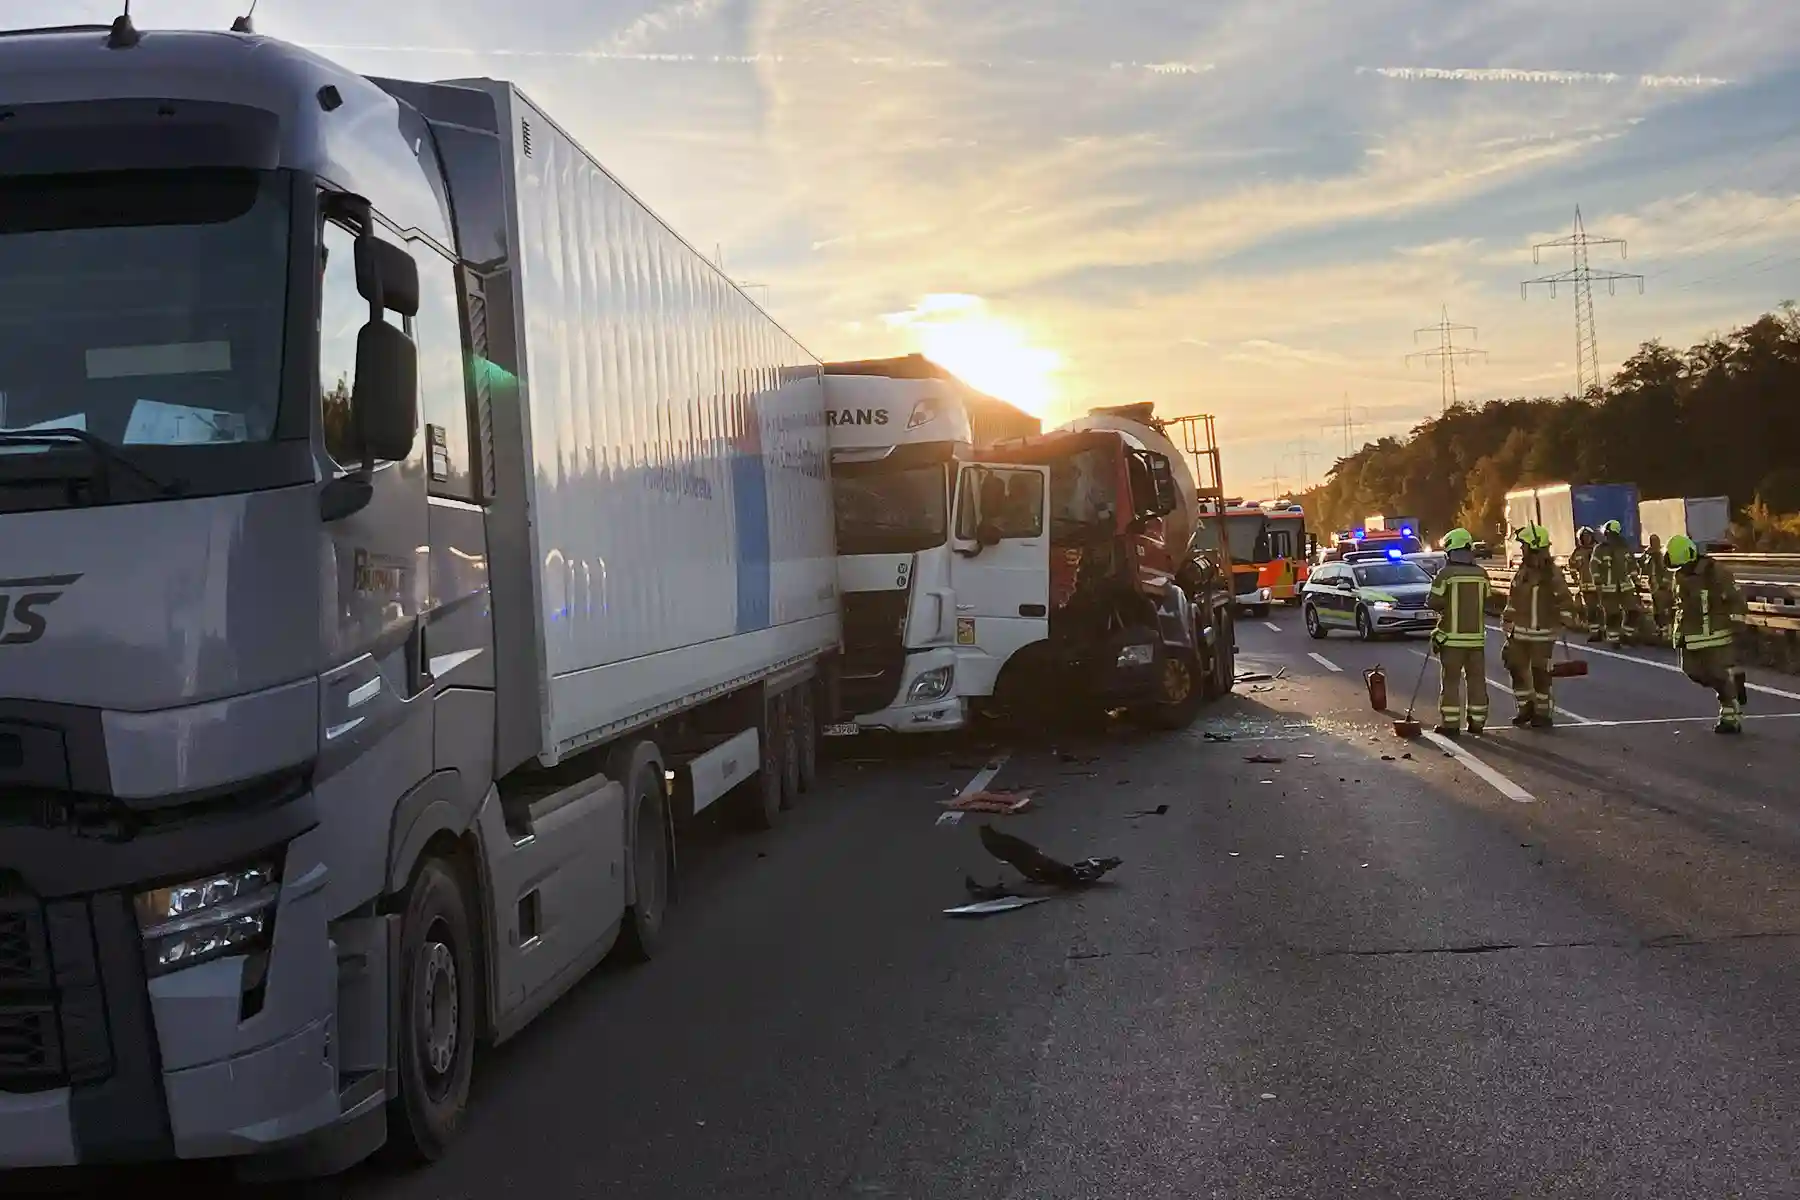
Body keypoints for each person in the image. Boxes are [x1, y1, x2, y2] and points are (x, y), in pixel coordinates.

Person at [1667, 534, 1749, 734]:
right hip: (1690, 635)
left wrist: (1737, 625)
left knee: (1717, 673)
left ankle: (1730, 716)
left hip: (1715, 633)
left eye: (1683, 565)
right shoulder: (1678, 576)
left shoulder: (1715, 572)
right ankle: (1732, 682)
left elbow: (1736, 598)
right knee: (1692, 671)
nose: (1681, 569)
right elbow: (1678, 605)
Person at [1501, 524, 1574, 728]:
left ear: (1534, 547)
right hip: (1519, 633)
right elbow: (1513, 599)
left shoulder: (1552, 574)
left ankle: (1543, 713)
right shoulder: (1522, 572)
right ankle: (1525, 708)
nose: (1521, 548)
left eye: (1524, 545)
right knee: (1514, 666)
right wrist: (1507, 620)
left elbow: (1565, 600)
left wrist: (1565, 619)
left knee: (1540, 674)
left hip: (1543, 634)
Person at [1427, 527, 1492, 737]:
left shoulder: (1446, 574)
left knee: (1451, 682)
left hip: (1452, 640)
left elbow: (1433, 602)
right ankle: (1478, 722)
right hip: (1476, 640)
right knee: (1476, 681)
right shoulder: (1482, 574)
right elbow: (1488, 599)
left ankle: (1451, 724)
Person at [1590, 519, 1639, 647]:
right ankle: (1613, 639)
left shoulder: (1624, 548)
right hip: (1608, 588)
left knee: (1633, 611)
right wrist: (1598, 583)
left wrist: (1636, 580)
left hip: (1625, 586)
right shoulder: (1600, 549)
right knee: (1613, 615)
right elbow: (1594, 566)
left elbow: (1632, 563)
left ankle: (1627, 635)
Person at [1571, 526, 1600, 642]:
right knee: (1591, 610)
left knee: (1604, 609)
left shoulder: (1598, 550)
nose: (1587, 539)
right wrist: (1575, 577)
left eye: (1588, 536)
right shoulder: (1578, 552)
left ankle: (1605, 630)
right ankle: (1595, 632)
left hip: (1600, 585)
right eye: (1584, 537)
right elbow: (1572, 566)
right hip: (1586, 586)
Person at [1642, 532, 1673, 639]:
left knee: (1663, 610)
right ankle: (1661, 631)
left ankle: (1666, 632)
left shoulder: (1663, 556)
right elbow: (1646, 569)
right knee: (1657, 611)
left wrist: (1665, 583)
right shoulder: (1650, 557)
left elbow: (1668, 571)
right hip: (1654, 588)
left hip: (1662, 588)